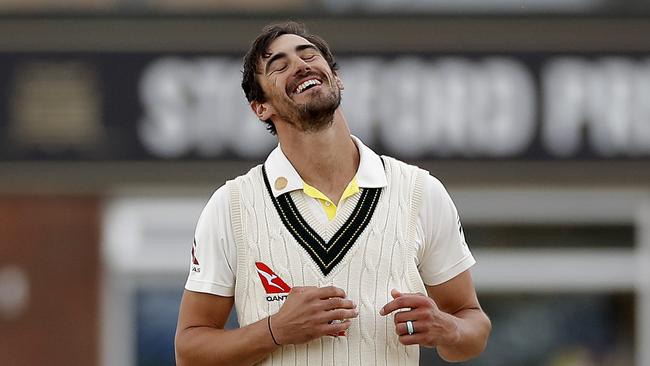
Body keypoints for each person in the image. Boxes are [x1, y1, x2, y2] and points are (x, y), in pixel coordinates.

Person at [175, 21, 491, 366]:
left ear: (336, 78)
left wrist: (447, 329)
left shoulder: (420, 191)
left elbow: (472, 325)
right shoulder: (231, 204)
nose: (300, 64)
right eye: (279, 66)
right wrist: (276, 330)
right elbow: (189, 352)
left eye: (308, 55)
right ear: (261, 107)